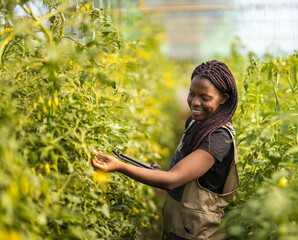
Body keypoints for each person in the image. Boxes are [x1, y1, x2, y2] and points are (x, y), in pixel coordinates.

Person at [92, 60, 239, 240]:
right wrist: (160, 173)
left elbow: (173, 180)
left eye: (205, 98)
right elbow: (186, 177)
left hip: (198, 234)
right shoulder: (195, 123)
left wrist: (120, 167)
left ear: (223, 98)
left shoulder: (218, 140)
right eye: (192, 94)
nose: (195, 102)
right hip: (178, 228)